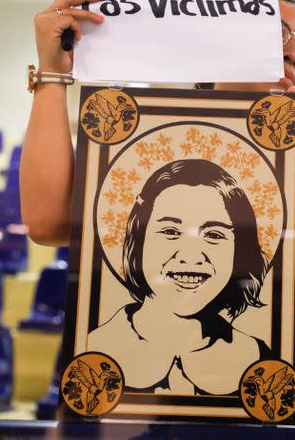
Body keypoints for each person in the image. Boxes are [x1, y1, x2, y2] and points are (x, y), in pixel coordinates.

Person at [21, 0, 295, 428]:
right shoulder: (142, 152)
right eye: (272, 34)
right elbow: (46, 224)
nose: (294, 54)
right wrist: (52, 74)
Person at [86, 159, 271, 395]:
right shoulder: (92, 348)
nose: (191, 256)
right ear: (138, 240)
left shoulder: (259, 361)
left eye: (214, 234)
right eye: (171, 232)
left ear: (239, 251)